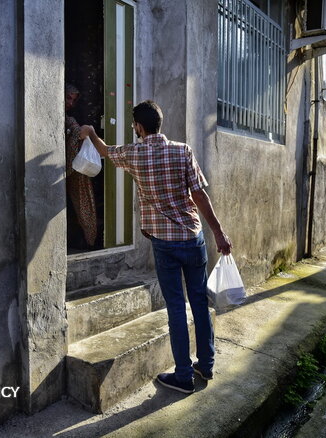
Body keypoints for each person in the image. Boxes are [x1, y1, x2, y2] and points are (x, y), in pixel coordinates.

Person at [80, 100, 232, 394]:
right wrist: (220, 234)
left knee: (176, 308)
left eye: (134, 125)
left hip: (164, 244)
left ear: (138, 127)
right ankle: (207, 364)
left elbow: (105, 151)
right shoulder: (182, 150)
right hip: (193, 238)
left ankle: (184, 376)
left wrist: (89, 132)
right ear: (159, 123)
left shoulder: (135, 154)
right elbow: (199, 196)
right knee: (199, 302)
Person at [65, 84, 98, 249]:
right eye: (68, 98)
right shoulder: (67, 119)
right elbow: (81, 132)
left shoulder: (69, 119)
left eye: (73, 100)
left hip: (72, 170)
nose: (70, 103)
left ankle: (88, 240)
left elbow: (80, 132)